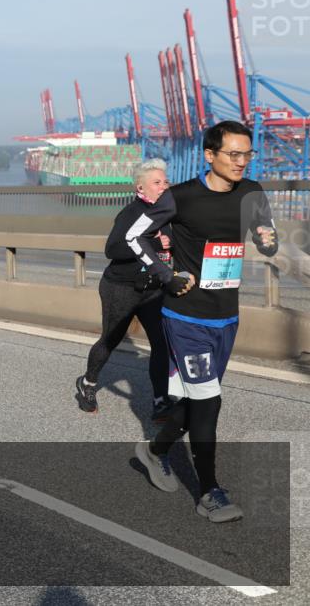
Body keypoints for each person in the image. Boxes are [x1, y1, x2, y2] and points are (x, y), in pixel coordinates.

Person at [132, 121, 278, 523]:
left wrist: (268, 240)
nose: (241, 162)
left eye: (247, 154)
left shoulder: (252, 192)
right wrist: (167, 275)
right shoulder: (181, 198)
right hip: (185, 316)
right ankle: (210, 492)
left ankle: (155, 451)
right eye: (232, 154)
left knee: (199, 400)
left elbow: (267, 235)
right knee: (210, 402)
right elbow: (134, 237)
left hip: (226, 316)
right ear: (209, 155)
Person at [75, 159, 184, 421]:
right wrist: (155, 246)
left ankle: (160, 401)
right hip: (120, 287)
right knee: (110, 339)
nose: (163, 187)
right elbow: (112, 250)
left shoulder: (167, 214)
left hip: (153, 290)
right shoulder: (131, 214)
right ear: (141, 188)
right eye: (156, 183)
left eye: (165, 181)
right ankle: (88, 384)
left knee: (161, 344)